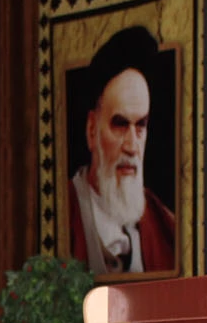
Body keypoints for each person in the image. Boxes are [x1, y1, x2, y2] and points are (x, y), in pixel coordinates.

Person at [68, 25, 177, 275]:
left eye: (140, 126)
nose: (131, 146)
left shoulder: (166, 228)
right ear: (92, 130)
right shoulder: (59, 215)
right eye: (120, 125)